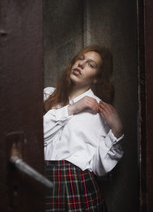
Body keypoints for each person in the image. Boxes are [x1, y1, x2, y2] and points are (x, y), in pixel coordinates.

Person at [43, 45, 124, 212]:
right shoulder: (48, 96)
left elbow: (99, 168)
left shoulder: (100, 112)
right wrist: (71, 109)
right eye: (80, 59)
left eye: (91, 64)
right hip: (39, 178)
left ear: (97, 78)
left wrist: (116, 131)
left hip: (77, 185)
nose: (81, 64)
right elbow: (36, 138)